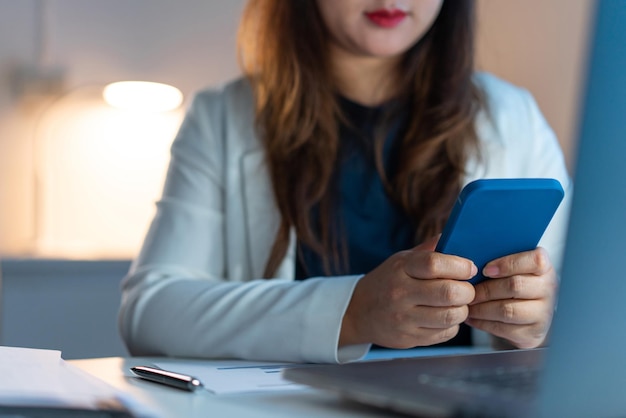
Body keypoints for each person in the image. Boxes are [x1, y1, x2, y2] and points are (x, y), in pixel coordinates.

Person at [118, 0, 571, 363]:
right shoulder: (222, 118)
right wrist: (353, 312)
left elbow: (589, 316)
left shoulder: (515, 117)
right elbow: (151, 313)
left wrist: (539, 320)